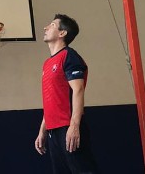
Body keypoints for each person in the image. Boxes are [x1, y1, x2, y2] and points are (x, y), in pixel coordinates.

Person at [35, 14, 99, 174]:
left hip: (68, 126)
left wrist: (74, 126)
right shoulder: (47, 63)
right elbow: (51, 99)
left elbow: (78, 89)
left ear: (62, 33)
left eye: (52, 25)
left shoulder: (69, 56)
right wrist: (43, 130)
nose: (45, 28)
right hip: (53, 130)